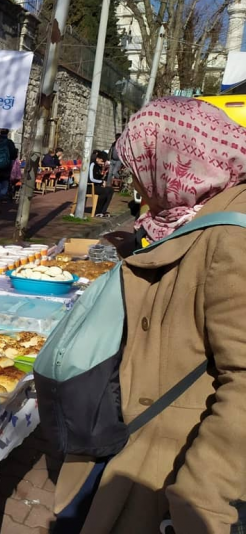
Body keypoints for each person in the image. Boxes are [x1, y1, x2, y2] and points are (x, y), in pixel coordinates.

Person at [53, 96, 246, 534]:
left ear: (173, 160)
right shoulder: (194, 213)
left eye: (142, 169)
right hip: (135, 438)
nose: (139, 187)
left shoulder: (232, 236)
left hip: (168, 468)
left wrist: (199, 503)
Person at [89, 150, 113, 217]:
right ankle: (98, 210)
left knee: (110, 190)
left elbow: (99, 177)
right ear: (97, 159)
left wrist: (103, 178)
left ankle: (103, 211)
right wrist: (101, 181)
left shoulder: (99, 167)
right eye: (102, 161)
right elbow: (91, 178)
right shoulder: (92, 165)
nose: (103, 163)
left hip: (96, 186)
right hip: (89, 186)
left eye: (104, 162)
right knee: (104, 191)